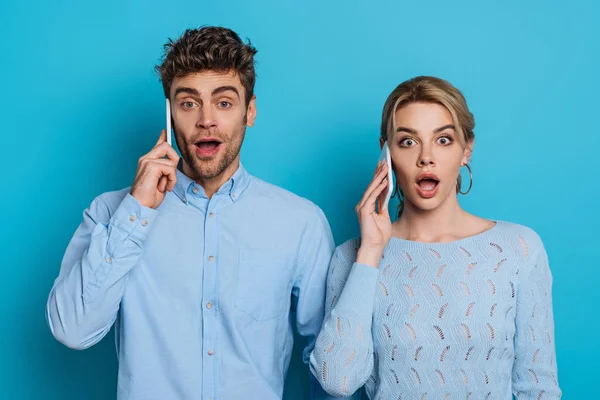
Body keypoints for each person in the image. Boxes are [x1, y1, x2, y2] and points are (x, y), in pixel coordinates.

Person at [46, 26, 339, 400]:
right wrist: (136, 211)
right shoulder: (111, 212)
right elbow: (72, 330)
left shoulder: (301, 224)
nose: (206, 120)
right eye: (188, 103)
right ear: (169, 114)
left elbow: (330, 367)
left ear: (249, 111)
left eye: (224, 102)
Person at [310, 76, 561, 399]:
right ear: (385, 154)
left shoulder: (518, 249)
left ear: (466, 149)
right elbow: (337, 381)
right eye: (408, 141)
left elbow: (538, 388)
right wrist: (371, 251)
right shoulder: (353, 257)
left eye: (443, 140)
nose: (425, 157)